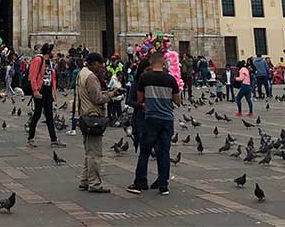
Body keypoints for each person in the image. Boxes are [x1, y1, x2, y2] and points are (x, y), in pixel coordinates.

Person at [127, 51, 181, 196]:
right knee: (164, 152)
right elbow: (177, 101)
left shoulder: (145, 77)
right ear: (164, 62)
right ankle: (164, 185)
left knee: (145, 151)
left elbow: (139, 99)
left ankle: (139, 183)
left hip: (151, 118)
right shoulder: (170, 79)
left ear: (151, 62)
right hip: (167, 119)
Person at [76, 52, 123, 193]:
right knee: (95, 154)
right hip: (92, 117)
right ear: (93, 63)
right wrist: (112, 94)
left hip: (84, 115)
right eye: (100, 64)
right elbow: (97, 99)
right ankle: (94, 184)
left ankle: (85, 181)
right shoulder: (91, 77)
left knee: (89, 151)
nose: (102, 67)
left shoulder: (82, 73)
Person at [26, 43, 65, 148]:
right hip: (40, 90)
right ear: (48, 51)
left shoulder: (50, 62)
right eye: (53, 51)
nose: (54, 52)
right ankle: (30, 138)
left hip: (48, 91)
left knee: (49, 115)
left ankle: (53, 139)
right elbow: (32, 76)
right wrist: (35, 91)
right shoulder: (38, 60)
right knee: (37, 115)